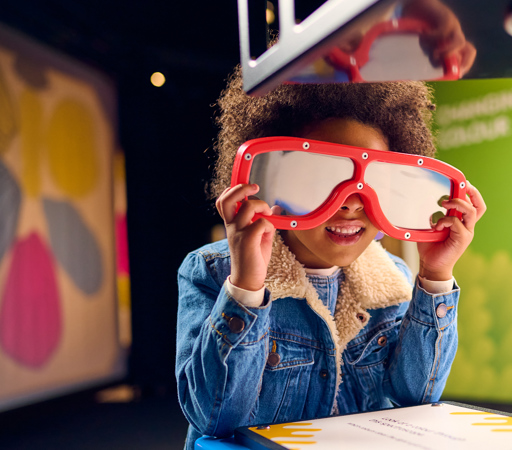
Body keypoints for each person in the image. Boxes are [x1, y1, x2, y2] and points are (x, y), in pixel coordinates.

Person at [175, 69, 486, 449]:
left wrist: (436, 275)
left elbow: (415, 399)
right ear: (271, 181)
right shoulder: (212, 270)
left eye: (376, 185)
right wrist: (246, 286)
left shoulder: (392, 281)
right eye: (324, 180)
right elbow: (215, 418)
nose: (354, 203)